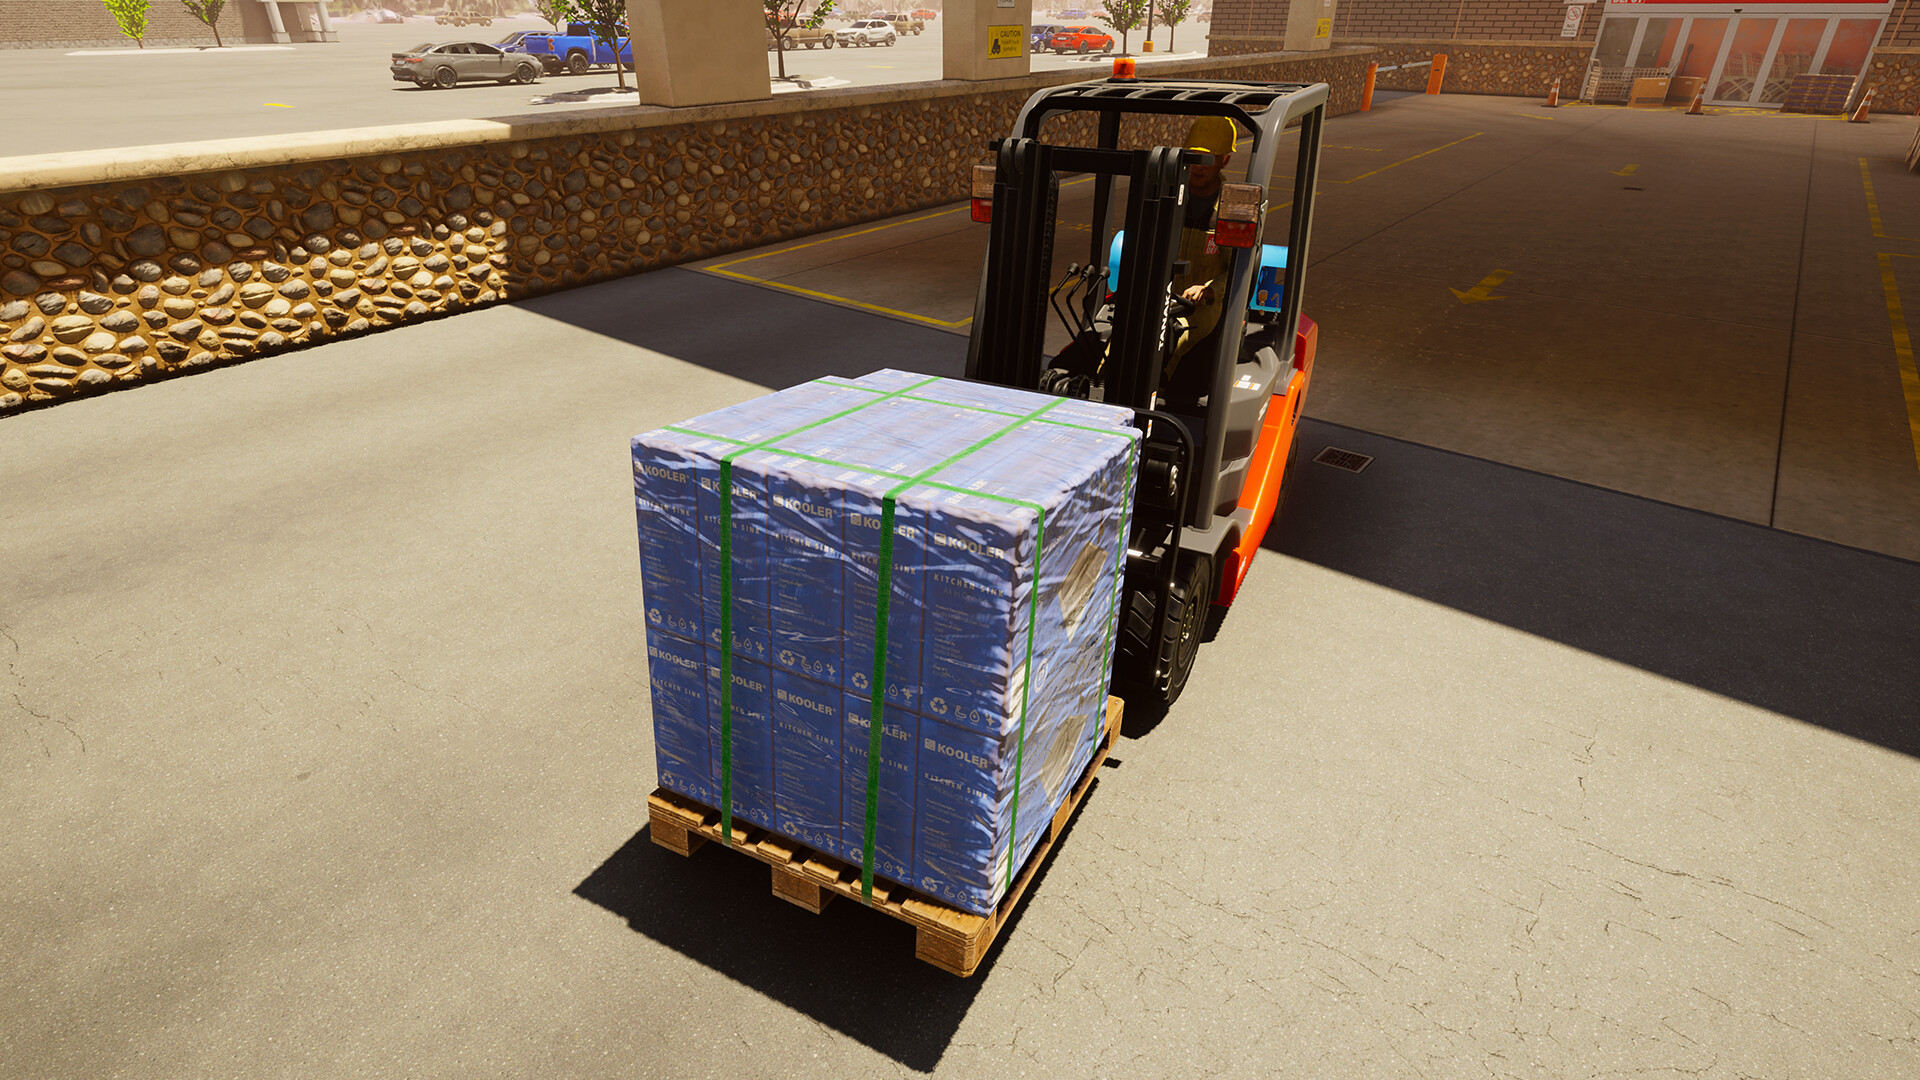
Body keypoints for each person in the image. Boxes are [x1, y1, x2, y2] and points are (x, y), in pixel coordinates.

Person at [1164, 115, 1237, 383]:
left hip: (1204, 305)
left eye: (1209, 158)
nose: (1199, 166)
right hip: (1166, 296)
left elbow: (1239, 269)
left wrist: (1210, 290)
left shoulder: (1232, 209)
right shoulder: (1170, 196)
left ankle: (1152, 394)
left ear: (1224, 160)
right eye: (1194, 157)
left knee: (1171, 336)